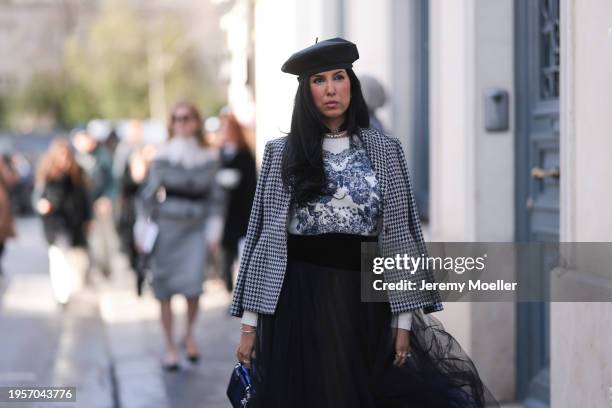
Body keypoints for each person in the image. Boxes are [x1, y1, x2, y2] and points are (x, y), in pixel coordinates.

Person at [231, 38, 499, 407]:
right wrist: (250, 326)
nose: (330, 89)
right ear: (305, 92)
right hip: (298, 300)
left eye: (338, 77)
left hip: (366, 299)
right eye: (318, 80)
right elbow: (266, 243)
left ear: (351, 85)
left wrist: (402, 322)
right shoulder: (281, 153)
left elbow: (401, 235)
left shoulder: (385, 149)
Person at [140, 101, 225, 370]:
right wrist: (143, 229)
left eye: (187, 118)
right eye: (176, 118)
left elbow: (217, 198)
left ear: (196, 121)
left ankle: (188, 335)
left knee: (193, 289)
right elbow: (147, 196)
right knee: (164, 290)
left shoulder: (210, 157)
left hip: (196, 230)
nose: (181, 123)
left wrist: (214, 230)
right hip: (167, 229)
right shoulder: (162, 155)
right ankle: (169, 347)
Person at [33, 139, 92, 305]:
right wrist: (41, 205)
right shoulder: (47, 174)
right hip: (55, 223)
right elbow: (37, 196)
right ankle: (62, 293)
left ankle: (70, 288)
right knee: (59, 257)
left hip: (75, 221)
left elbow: (86, 197)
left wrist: (88, 218)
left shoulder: (77, 173)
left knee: (77, 258)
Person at [216, 111, 256, 293]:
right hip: (223, 211)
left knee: (242, 253)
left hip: (241, 210)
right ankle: (228, 289)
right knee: (226, 253)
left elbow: (251, 184)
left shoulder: (244, 154)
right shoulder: (219, 154)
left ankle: (242, 290)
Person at [0, 154, 18, 276]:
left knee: (2, 241)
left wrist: (10, 166)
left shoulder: (3, 169)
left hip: (2, 210)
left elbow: (13, 180)